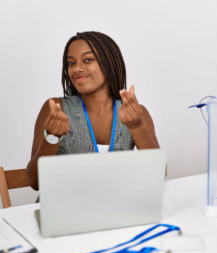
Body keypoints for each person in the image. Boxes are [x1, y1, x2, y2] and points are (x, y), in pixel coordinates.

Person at [26, 31, 160, 191]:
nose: (77, 69)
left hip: (118, 209)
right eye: (71, 63)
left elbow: (158, 174)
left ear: (108, 62)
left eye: (87, 60)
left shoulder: (136, 112)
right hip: (65, 211)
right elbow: (35, 182)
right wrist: (52, 138)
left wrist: (136, 125)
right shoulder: (56, 108)